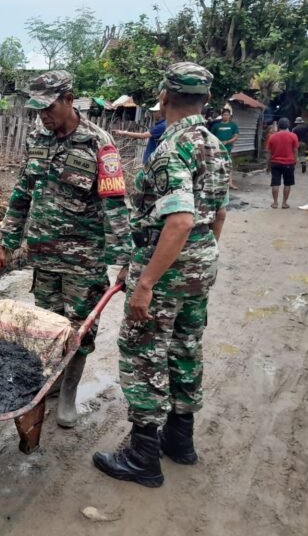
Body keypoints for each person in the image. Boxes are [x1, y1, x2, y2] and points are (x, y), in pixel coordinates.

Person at [92, 62, 231, 487]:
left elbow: (180, 221)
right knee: (185, 348)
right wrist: (200, 260)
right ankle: (180, 441)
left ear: (164, 96)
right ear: (205, 100)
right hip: (199, 264)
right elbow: (219, 213)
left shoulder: (172, 150)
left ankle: (142, 456)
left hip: (167, 268)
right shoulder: (214, 145)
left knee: (144, 353)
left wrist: (147, 282)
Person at [0, 71, 132, 429]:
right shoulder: (38, 138)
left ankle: (68, 393)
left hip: (83, 261)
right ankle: (52, 384)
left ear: (69, 99)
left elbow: (114, 206)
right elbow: (22, 192)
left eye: (48, 107)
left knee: (79, 330)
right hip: (44, 256)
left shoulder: (100, 145)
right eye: (37, 109)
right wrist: (5, 241)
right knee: (49, 325)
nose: (42, 116)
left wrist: (127, 261)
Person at [266, 117, 299, 209]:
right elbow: (295, 150)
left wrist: (268, 165)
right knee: (287, 184)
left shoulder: (272, 136)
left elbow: (269, 152)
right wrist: (295, 161)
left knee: (275, 184)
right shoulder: (293, 136)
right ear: (288, 125)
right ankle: (284, 203)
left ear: (279, 126)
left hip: (275, 163)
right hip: (289, 163)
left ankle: (275, 203)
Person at [211, 108, 239, 189]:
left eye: (227, 115)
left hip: (228, 148)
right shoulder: (216, 126)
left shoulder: (233, 125)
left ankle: (230, 183)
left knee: (228, 166)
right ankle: (216, 183)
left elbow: (236, 136)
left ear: (230, 116)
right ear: (221, 116)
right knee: (217, 165)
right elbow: (211, 136)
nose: (225, 116)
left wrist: (228, 141)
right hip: (217, 149)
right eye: (224, 115)